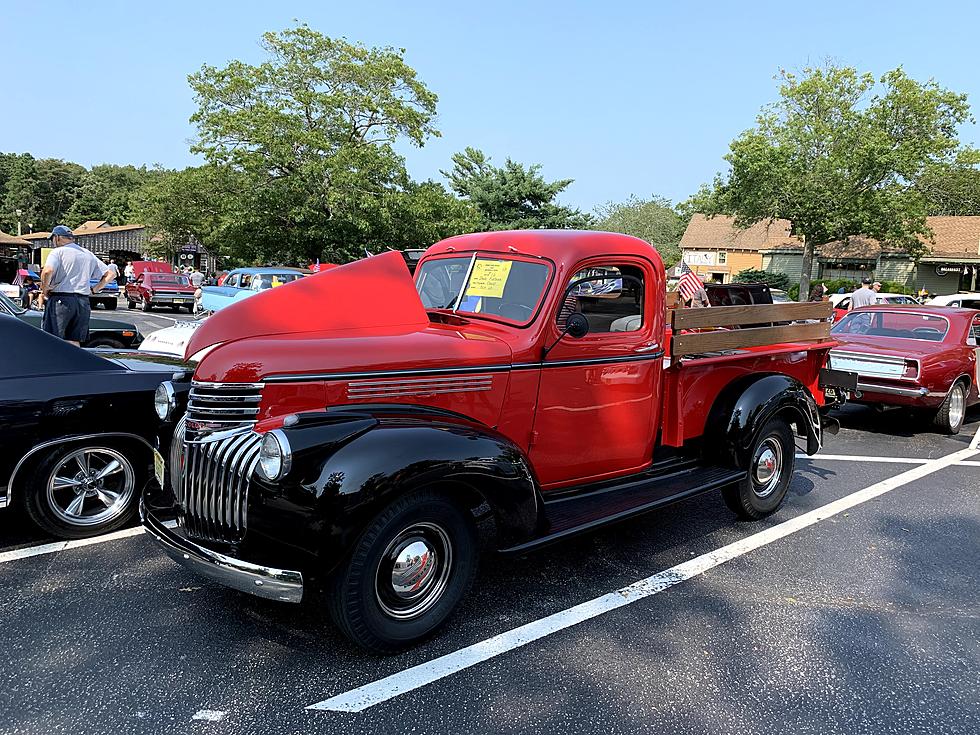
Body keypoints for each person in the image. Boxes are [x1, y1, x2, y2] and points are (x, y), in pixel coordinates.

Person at [39, 225, 113, 346]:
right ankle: (73, 363)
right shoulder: (87, 254)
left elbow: (47, 271)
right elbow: (110, 274)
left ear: (57, 237)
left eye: (52, 238)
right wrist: (95, 289)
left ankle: (56, 364)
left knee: (54, 339)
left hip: (61, 299)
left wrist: (45, 289)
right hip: (82, 302)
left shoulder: (58, 252)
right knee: (74, 340)